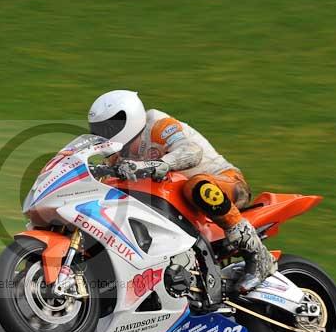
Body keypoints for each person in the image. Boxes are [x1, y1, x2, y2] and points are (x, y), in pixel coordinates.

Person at [87, 89, 276, 293]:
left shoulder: (157, 124)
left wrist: (158, 164)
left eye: (109, 127)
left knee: (197, 187)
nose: (104, 134)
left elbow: (192, 152)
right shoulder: (117, 155)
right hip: (181, 207)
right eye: (99, 130)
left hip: (225, 183)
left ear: (129, 117)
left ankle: (258, 255)